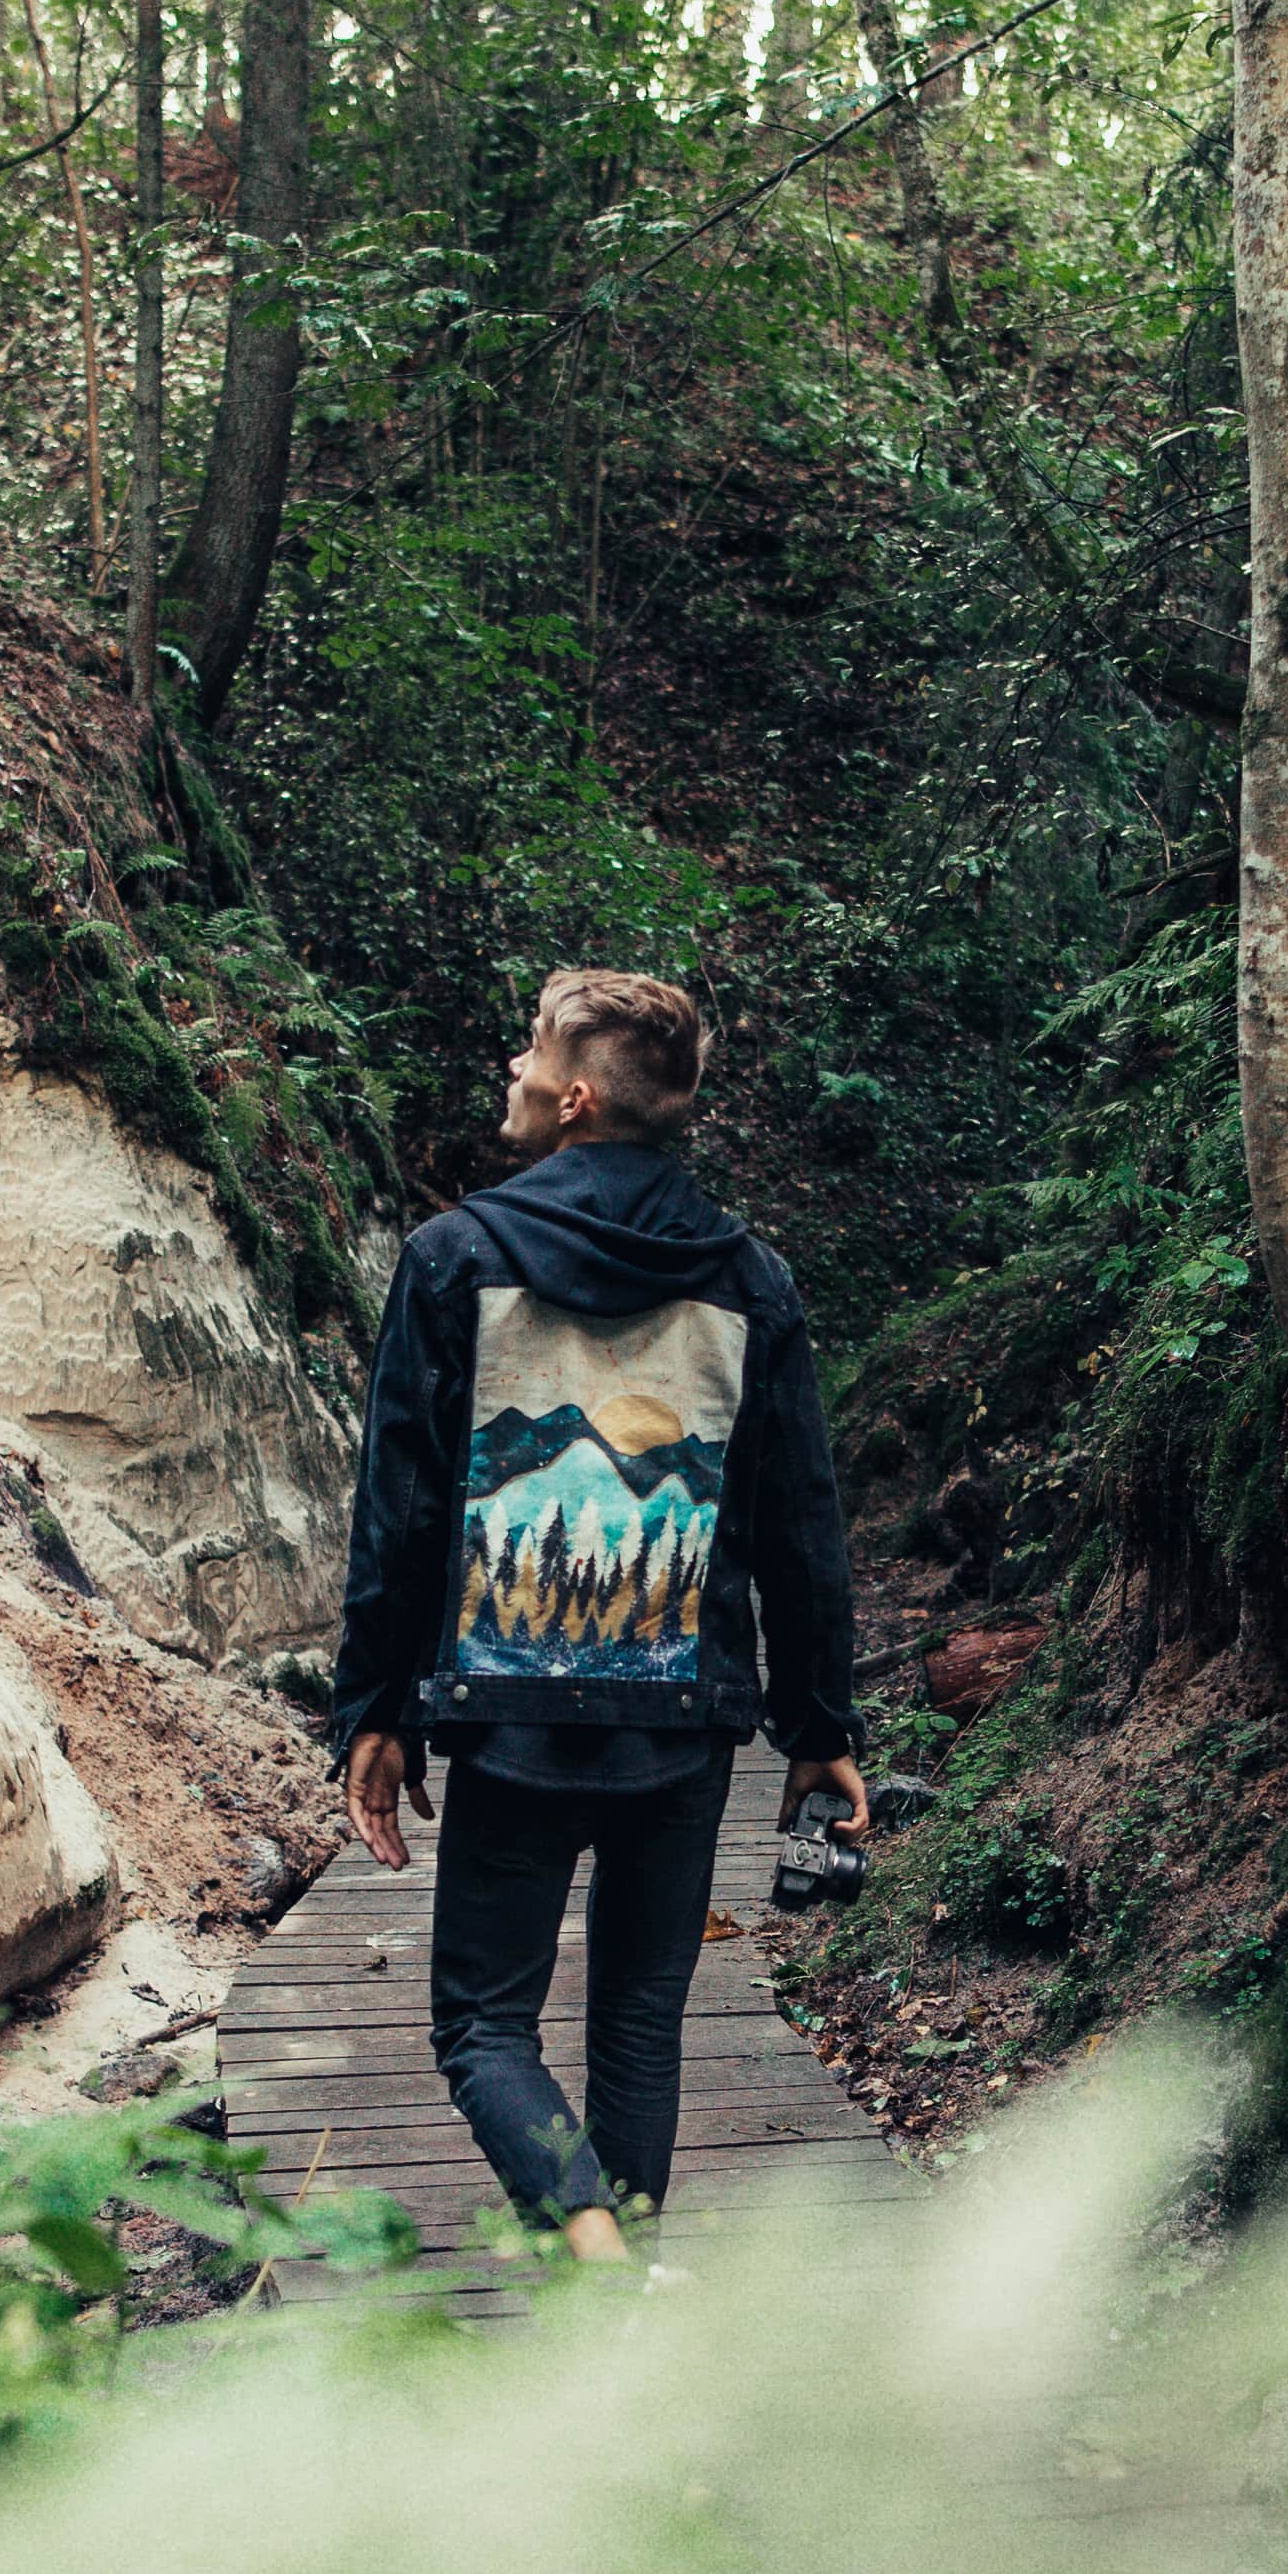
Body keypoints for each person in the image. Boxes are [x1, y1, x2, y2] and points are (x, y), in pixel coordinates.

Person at [326, 968, 866, 2269]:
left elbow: (399, 1513)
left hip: (510, 1711)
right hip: (682, 1726)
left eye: (528, 1048)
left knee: (481, 2027)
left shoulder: (455, 1260)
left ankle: (588, 2237)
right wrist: (819, 1723)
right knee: (638, 2025)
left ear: (574, 1097)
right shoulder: (751, 1282)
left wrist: (376, 1711)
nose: (510, 1066)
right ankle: (621, 2295)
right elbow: (801, 1519)